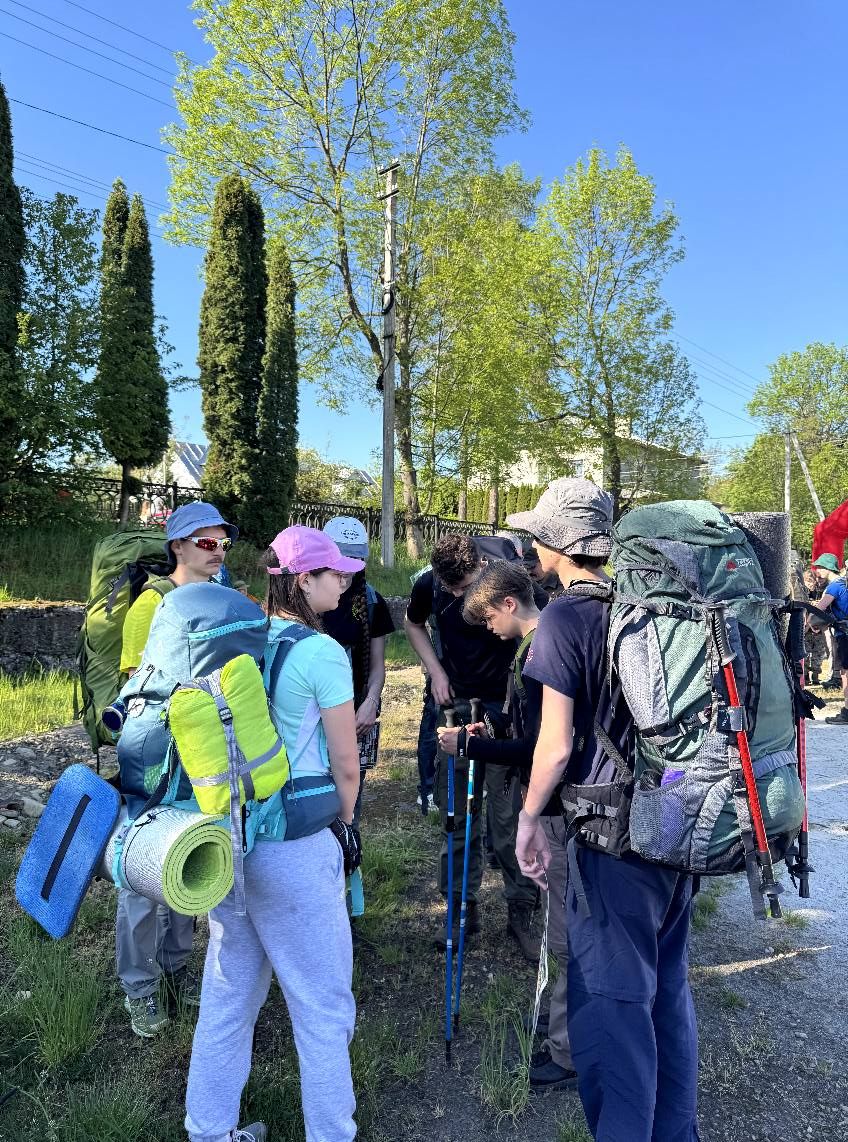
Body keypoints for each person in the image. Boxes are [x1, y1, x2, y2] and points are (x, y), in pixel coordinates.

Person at [512, 478, 700, 1142]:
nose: (532, 548)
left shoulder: (565, 618)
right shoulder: (645, 606)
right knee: (668, 995)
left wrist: (528, 820)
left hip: (612, 838)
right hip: (674, 821)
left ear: (556, 545)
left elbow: (556, 745)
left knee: (614, 1011)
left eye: (538, 537)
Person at [184, 525, 363, 1142]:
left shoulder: (238, 638)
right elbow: (346, 762)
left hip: (232, 836)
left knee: (228, 996)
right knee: (322, 1006)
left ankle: (209, 1131)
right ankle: (331, 1134)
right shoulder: (322, 652)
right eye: (335, 573)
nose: (345, 583)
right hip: (297, 846)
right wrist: (346, 825)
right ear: (304, 580)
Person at [117, 501, 238, 1039]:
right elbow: (135, 686)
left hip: (199, 751)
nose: (218, 552)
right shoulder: (151, 605)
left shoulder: (218, 599)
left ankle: (177, 968)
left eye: (223, 544)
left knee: (190, 852)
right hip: (153, 753)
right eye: (207, 543)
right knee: (142, 866)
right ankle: (140, 984)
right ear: (178, 547)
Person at [456, 560, 575, 1086]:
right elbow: (526, 723)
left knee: (565, 929)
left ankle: (567, 1049)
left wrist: (473, 748)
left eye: (488, 618)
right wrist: (494, 725)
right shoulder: (537, 644)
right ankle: (559, 1020)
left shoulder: (541, 650)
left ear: (509, 603)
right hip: (551, 806)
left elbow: (538, 746)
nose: (489, 629)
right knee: (560, 920)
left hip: (558, 808)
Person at [405, 533, 539, 953]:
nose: (456, 596)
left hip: (505, 706)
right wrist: (436, 671)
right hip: (456, 705)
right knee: (458, 814)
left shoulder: (507, 583)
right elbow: (412, 623)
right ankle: (461, 909)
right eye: (448, 588)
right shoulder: (430, 584)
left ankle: (522, 909)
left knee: (508, 818)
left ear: (480, 566)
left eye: (462, 587)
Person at [321, 516, 395, 826]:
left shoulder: (372, 601)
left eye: (357, 557)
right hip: (311, 716)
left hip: (355, 717)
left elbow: (377, 666)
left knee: (349, 804)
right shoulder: (306, 596)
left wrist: (370, 703)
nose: (349, 566)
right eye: (342, 556)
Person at [811, 553, 848, 721]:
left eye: (819, 567)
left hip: (844, 634)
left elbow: (818, 609)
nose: (817, 570)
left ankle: (847, 712)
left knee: (845, 673)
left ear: (827, 568)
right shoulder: (843, 583)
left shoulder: (835, 586)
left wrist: (808, 624)